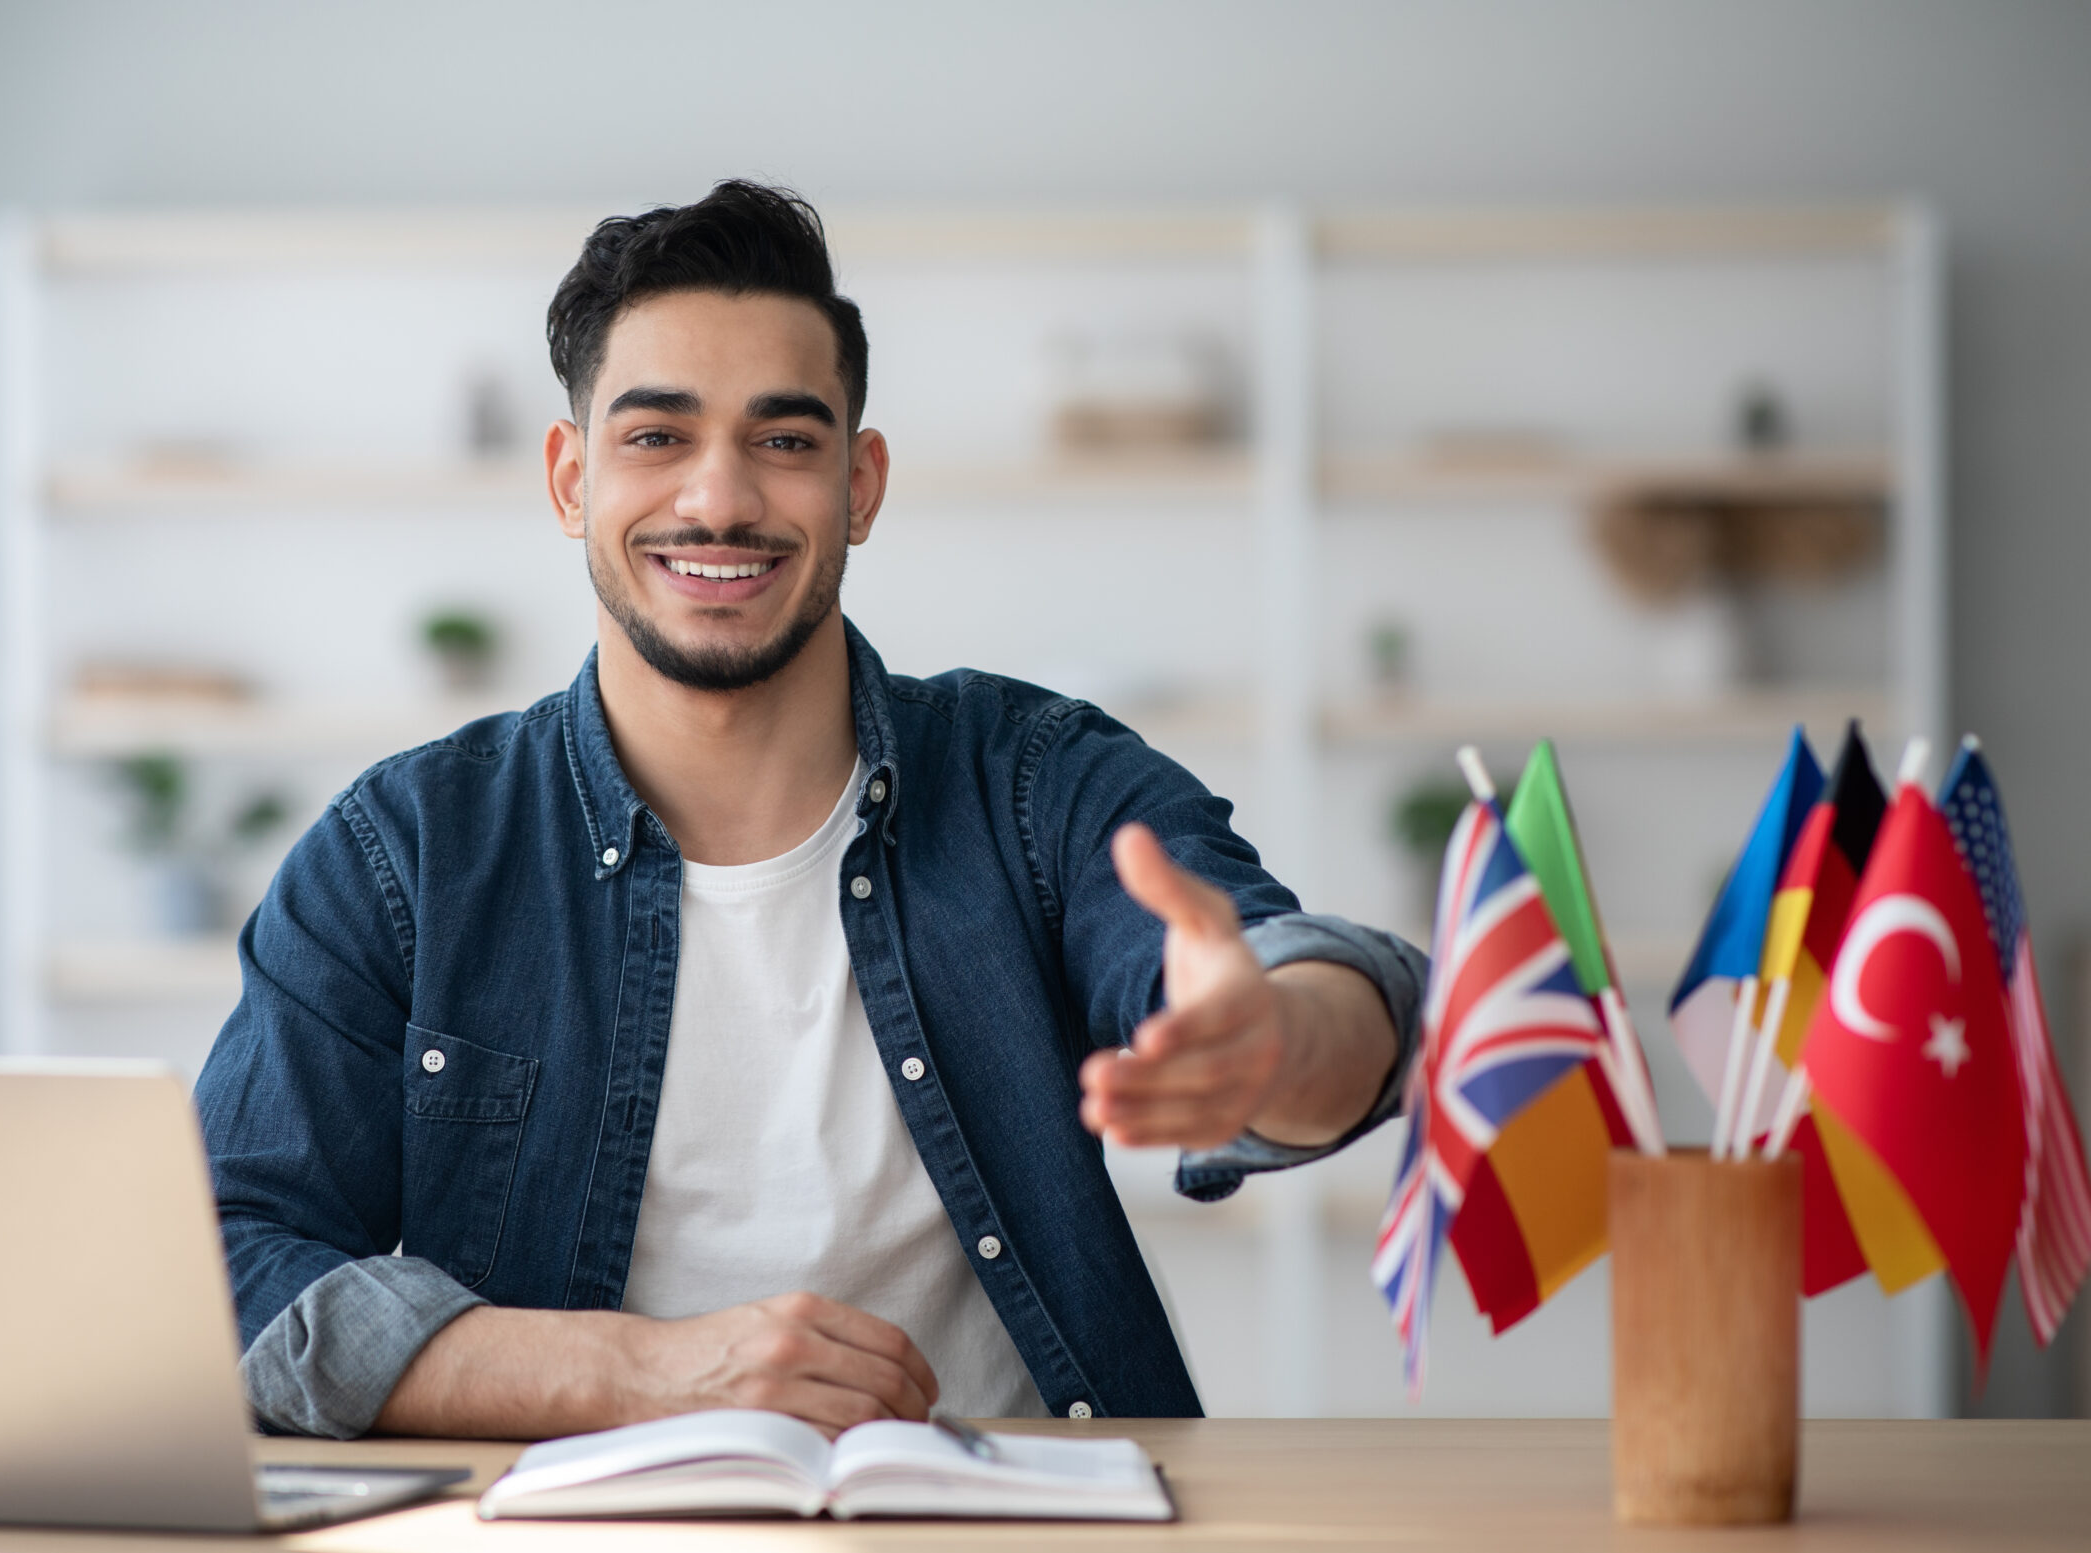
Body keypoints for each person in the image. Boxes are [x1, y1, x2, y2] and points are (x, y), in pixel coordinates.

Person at [201, 181, 1424, 1439]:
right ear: (571, 481)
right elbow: (225, 1266)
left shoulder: (1033, 779)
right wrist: (629, 1376)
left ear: (861, 483)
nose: (720, 500)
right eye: (656, 437)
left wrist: (1277, 1041)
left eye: (785, 440)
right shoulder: (405, 852)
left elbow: (1317, 992)